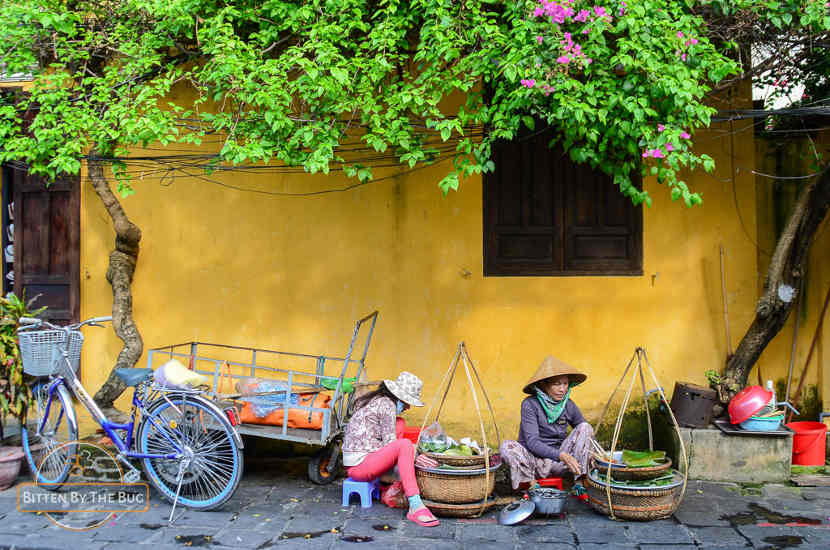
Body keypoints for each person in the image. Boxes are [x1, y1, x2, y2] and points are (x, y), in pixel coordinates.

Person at [342, 371, 440, 527]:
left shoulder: (378, 400)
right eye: (407, 402)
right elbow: (392, 445)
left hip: (364, 460)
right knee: (405, 445)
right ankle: (415, 505)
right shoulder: (386, 405)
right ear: (398, 396)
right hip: (359, 467)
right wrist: (414, 454)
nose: (408, 406)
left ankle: (387, 483)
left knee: (400, 424)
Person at [499, 356, 594, 490]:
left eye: (565, 384)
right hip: (534, 463)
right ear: (543, 385)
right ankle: (531, 487)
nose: (563, 389)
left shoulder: (568, 405)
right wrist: (560, 455)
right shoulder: (530, 404)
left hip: (559, 463)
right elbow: (532, 442)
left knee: (586, 428)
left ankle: (580, 483)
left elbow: (584, 433)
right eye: (557, 384)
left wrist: (596, 456)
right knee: (506, 446)